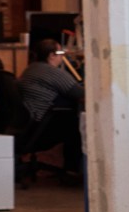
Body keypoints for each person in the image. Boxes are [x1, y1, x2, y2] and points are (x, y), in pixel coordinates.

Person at [16, 36, 85, 180]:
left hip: (29, 125)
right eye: (60, 53)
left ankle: (71, 170)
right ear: (52, 55)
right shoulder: (53, 72)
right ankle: (72, 171)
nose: (62, 57)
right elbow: (81, 95)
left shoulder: (31, 69)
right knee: (76, 125)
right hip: (41, 127)